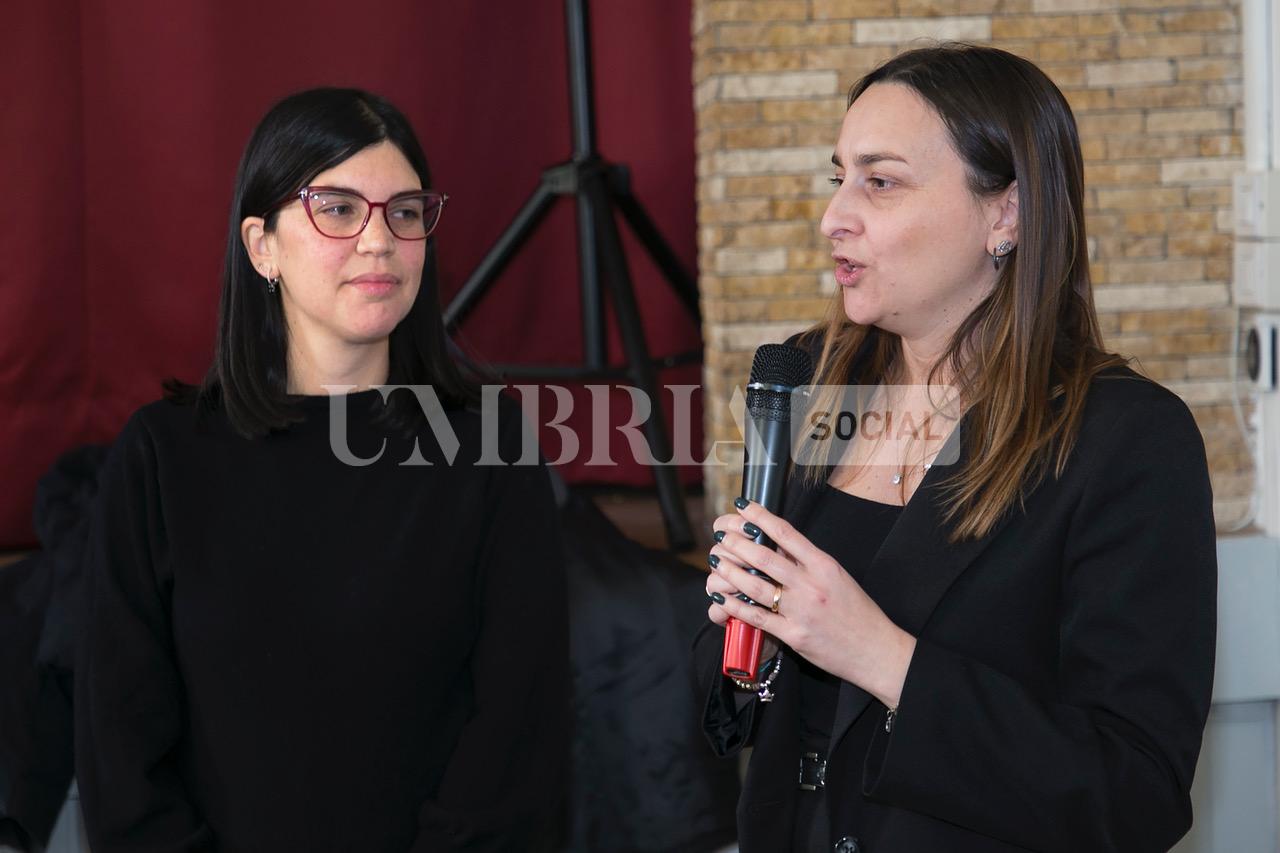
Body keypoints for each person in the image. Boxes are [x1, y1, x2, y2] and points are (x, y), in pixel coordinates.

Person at [695, 45, 1216, 853]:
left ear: (1005, 215)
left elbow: (1133, 791)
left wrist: (882, 655)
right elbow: (744, 705)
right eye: (838, 178)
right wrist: (742, 637)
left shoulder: (1125, 439)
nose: (836, 216)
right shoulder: (814, 381)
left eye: (882, 181)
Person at [75, 88, 568, 853]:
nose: (379, 240)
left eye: (404, 211)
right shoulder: (161, 458)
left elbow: (518, 738)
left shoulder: (488, 447)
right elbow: (121, 757)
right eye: (337, 209)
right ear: (261, 244)